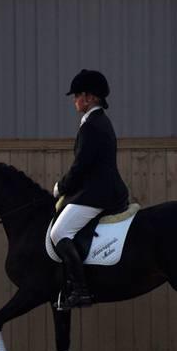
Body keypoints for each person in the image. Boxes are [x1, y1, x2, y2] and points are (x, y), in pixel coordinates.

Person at [51, 69, 130, 309]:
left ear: (90, 97)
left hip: (98, 193)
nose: (75, 100)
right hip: (98, 189)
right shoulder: (96, 122)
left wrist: (61, 187)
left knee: (58, 233)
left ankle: (81, 291)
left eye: (77, 95)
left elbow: (81, 166)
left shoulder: (93, 126)